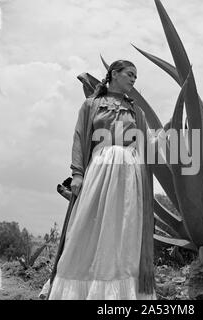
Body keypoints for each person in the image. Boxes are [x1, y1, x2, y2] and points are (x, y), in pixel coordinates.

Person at [47, 60, 159, 300]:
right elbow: (79, 138)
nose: (133, 80)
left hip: (129, 175)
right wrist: (77, 173)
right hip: (99, 169)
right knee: (87, 225)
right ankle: (81, 291)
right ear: (114, 74)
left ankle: (118, 295)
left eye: (135, 77)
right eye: (130, 74)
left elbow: (145, 144)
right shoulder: (91, 105)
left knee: (123, 229)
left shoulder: (136, 111)